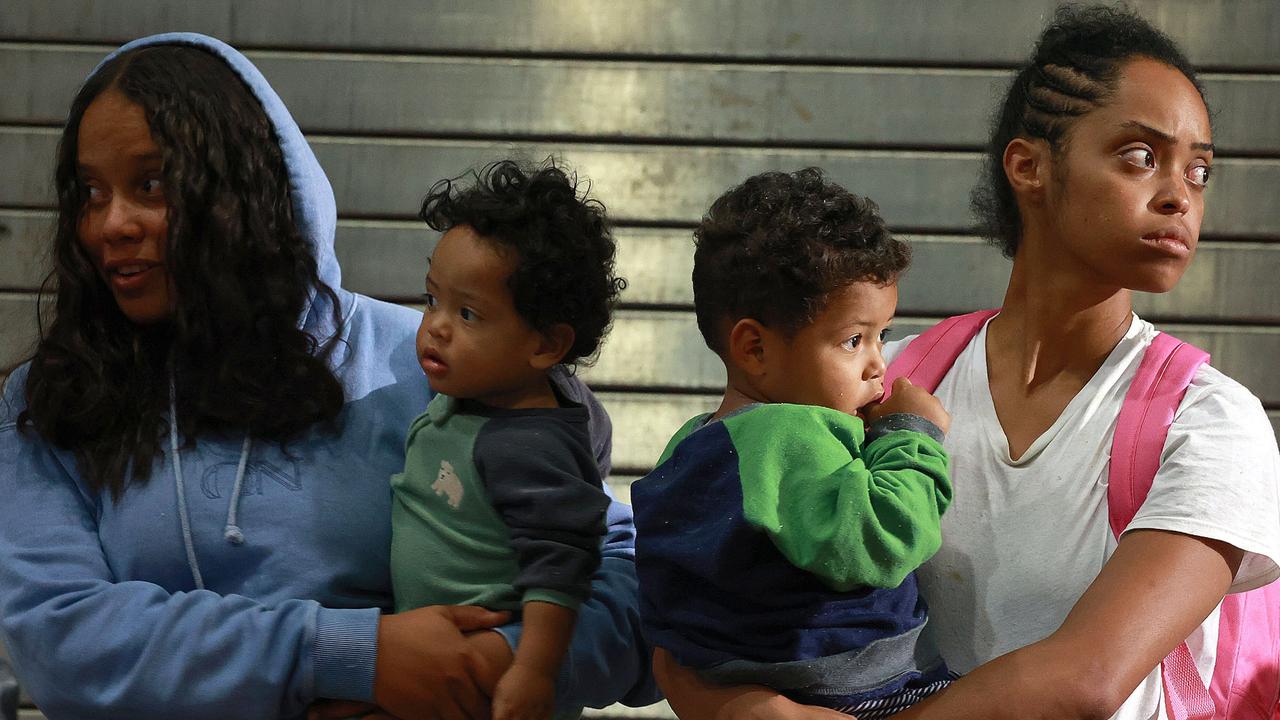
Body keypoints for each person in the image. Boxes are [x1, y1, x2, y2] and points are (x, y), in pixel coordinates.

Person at [0, 33, 656, 720]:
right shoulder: (50, 404)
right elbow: (61, 637)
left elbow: (622, 583)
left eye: (153, 184)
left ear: (244, 187)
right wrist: (354, 656)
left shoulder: (429, 363)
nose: (112, 223)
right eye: (90, 192)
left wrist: (490, 666)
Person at [652, 6, 1280, 719]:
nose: (1179, 195)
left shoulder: (1209, 422)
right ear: (1029, 166)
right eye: (1140, 156)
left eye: (1199, 170)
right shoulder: (895, 377)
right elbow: (720, 593)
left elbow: (1088, 680)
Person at [633, 169, 955, 718]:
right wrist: (912, 435)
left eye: (882, 334)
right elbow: (879, 540)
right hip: (863, 694)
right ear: (754, 348)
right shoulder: (787, 433)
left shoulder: (694, 445)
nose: (879, 363)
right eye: (854, 339)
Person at [390, 160, 623, 720]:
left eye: (468, 313)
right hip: (433, 667)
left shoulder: (529, 442)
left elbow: (561, 562)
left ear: (545, 346)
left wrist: (532, 669)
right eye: (431, 300)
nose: (436, 327)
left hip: (489, 688)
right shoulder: (473, 401)